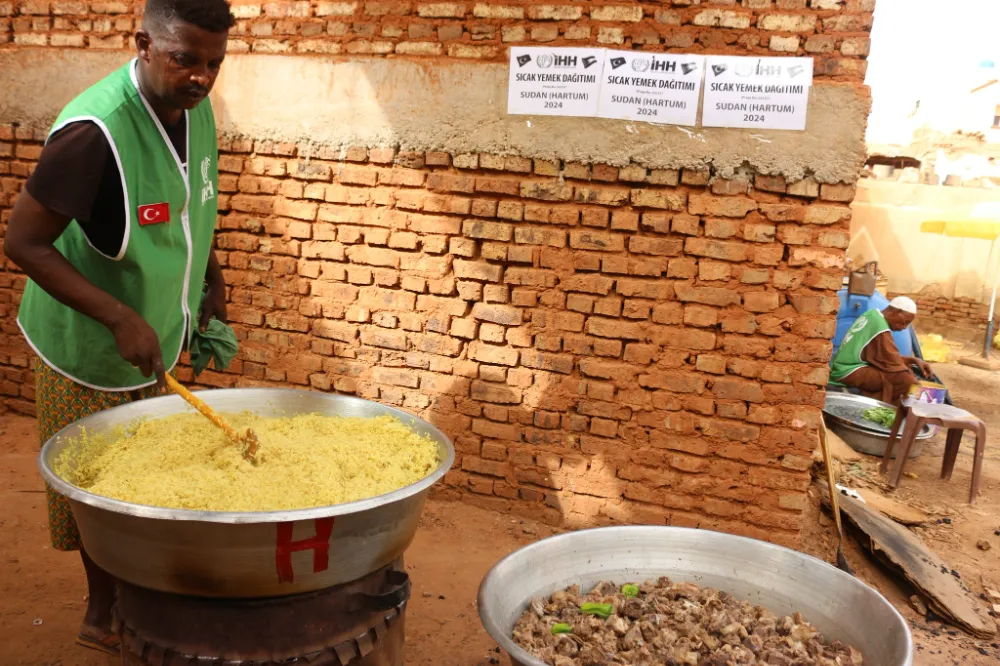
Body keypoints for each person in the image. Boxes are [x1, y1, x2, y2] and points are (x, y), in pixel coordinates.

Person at [3, 0, 235, 654]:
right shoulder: (93, 132)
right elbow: (22, 242)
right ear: (143, 43)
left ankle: (138, 591)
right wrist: (117, 316)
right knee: (100, 484)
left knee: (142, 470)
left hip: (148, 330)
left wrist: (212, 277)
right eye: (185, 58)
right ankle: (102, 613)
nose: (201, 76)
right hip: (90, 341)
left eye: (214, 63)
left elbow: (190, 200)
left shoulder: (192, 107)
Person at [829, 296, 933, 405]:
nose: (904, 327)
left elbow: (882, 358)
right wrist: (916, 384)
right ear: (897, 312)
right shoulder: (880, 326)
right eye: (905, 322)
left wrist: (913, 360)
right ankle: (887, 411)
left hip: (842, 367)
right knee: (906, 380)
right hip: (848, 372)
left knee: (902, 371)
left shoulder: (872, 314)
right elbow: (892, 362)